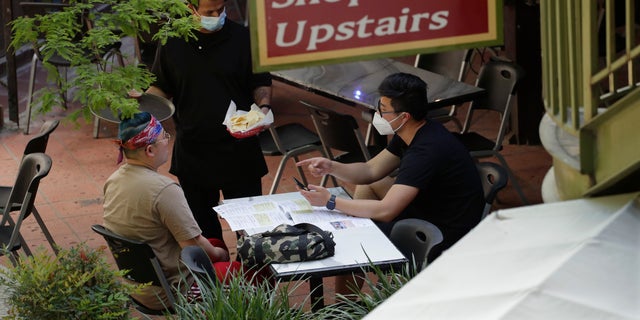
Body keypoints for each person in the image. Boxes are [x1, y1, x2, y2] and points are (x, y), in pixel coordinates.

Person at [296, 73, 484, 292]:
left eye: (383, 109)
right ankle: (357, 250)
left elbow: (387, 210)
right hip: (428, 207)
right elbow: (370, 170)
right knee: (368, 187)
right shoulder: (413, 130)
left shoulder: (426, 151)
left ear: (404, 116)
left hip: (442, 232)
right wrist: (331, 166)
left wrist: (330, 201)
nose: (378, 113)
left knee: (352, 240)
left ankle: (346, 303)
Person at [145, 0, 272, 241]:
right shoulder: (171, 41)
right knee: (203, 228)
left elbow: (260, 81)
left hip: (240, 149)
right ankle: (214, 277)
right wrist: (142, 104)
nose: (217, 15)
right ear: (190, 8)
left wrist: (264, 108)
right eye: (209, 12)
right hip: (194, 149)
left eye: (221, 9)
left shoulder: (243, 38)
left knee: (251, 228)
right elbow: (161, 87)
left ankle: (252, 276)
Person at [103, 112, 242, 311]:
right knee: (250, 275)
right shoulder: (164, 190)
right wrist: (221, 255)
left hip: (135, 286)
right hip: (172, 290)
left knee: (215, 243)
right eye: (164, 138)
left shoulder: (113, 180)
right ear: (150, 150)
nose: (168, 141)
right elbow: (193, 246)